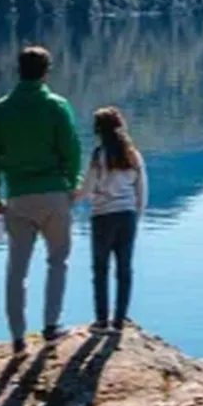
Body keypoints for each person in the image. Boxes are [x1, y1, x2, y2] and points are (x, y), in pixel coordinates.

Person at [0, 46, 82, 355]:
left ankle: (17, 337)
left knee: (17, 270)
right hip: (54, 194)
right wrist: (71, 183)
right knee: (58, 261)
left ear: (19, 70)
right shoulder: (57, 106)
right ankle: (51, 327)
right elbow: (72, 150)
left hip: (18, 197)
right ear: (46, 73)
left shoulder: (1, 109)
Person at [75, 107, 147, 332]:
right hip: (127, 216)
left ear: (99, 130)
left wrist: (72, 195)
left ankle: (101, 320)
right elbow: (142, 191)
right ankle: (120, 319)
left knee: (100, 269)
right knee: (124, 269)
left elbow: (87, 189)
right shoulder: (133, 155)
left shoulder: (99, 155)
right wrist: (136, 215)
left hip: (103, 216)